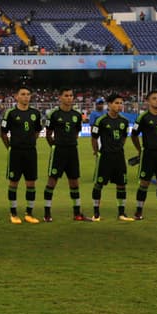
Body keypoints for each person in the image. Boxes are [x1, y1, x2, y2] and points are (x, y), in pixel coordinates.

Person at [0, 86, 43, 224]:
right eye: (23, 94)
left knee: (31, 183)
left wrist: (30, 142)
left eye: (28, 94)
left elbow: (37, 131)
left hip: (30, 151)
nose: (26, 96)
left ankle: (29, 214)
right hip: (16, 152)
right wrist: (10, 147)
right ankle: (13, 213)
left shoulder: (35, 113)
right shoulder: (10, 113)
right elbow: (3, 133)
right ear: (16, 96)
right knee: (14, 182)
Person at [130, 90, 157, 221]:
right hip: (148, 154)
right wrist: (140, 149)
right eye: (154, 98)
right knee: (144, 183)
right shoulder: (143, 117)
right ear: (148, 101)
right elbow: (134, 135)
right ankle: (138, 212)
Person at [43, 88, 85, 221]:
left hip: (72, 150)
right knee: (52, 180)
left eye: (71, 95)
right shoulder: (53, 114)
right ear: (60, 97)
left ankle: (77, 213)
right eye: (66, 95)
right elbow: (48, 134)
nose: (69, 98)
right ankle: (47, 213)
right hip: (58, 150)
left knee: (74, 182)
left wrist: (70, 143)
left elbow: (77, 133)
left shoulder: (77, 115)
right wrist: (55, 146)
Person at [90, 95, 131, 221]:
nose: (119, 105)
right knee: (99, 184)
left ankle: (121, 213)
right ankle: (96, 213)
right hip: (105, 156)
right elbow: (94, 138)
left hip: (119, 156)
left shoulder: (124, 121)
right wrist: (97, 152)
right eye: (116, 103)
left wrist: (118, 147)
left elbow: (124, 137)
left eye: (121, 103)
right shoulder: (101, 120)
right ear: (109, 104)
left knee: (121, 184)